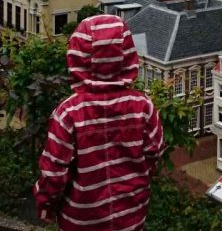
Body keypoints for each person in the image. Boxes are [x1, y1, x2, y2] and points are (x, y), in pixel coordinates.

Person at [34, 14, 164, 231]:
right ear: (127, 56)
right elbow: (154, 154)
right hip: (130, 216)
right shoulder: (143, 106)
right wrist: (134, 183)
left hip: (81, 219)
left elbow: (54, 171)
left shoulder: (68, 113)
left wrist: (45, 205)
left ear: (77, 57)